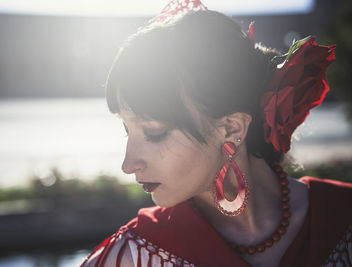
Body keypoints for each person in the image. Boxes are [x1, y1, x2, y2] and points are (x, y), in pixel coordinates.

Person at [80, 1, 352, 266]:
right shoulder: (131, 257)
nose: (128, 165)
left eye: (154, 132)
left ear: (231, 128)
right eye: (127, 130)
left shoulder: (342, 217)